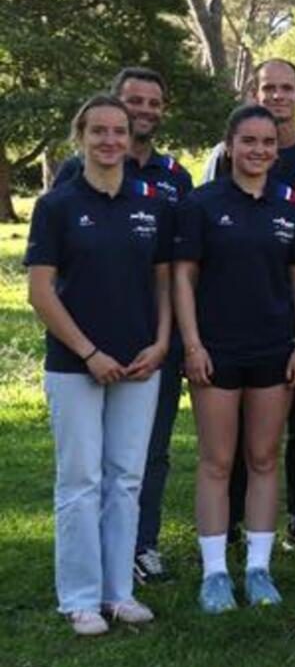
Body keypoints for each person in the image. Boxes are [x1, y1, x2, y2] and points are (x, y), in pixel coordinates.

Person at [28, 95, 174, 636]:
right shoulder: (57, 205)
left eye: (118, 131)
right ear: (81, 137)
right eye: (99, 131)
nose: (110, 140)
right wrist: (89, 352)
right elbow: (41, 292)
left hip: (140, 363)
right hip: (76, 365)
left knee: (125, 479)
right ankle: (81, 598)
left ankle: (119, 592)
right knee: (81, 479)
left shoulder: (152, 204)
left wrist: (161, 344)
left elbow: (164, 284)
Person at [173, 105, 295, 613]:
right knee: (216, 461)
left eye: (268, 143)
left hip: (274, 350)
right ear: (230, 146)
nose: (259, 151)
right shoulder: (201, 204)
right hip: (215, 350)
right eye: (249, 141)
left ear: (277, 150)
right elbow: (183, 278)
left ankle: (258, 569)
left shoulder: (290, 205)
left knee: (263, 458)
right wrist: (192, 345)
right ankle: (214, 574)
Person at [54, 68, 192, 585]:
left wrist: (168, 337)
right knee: (86, 467)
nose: (145, 110)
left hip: (155, 338)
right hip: (85, 342)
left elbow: (174, 266)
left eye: (155, 103)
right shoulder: (74, 174)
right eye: (135, 100)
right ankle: (88, 567)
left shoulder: (174, 177)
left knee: (146, 452)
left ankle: (142, 546)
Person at [218, 59, 295, 556]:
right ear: (255, 91)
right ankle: (231, 516)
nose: (277, 96)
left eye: (286, 88)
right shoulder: (231, 153)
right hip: (243, 308)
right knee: (246, 419)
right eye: (268, 88)